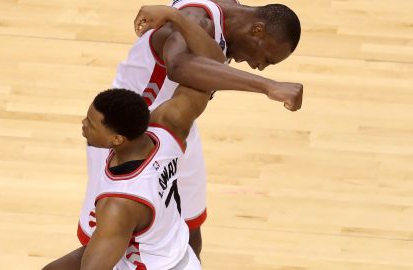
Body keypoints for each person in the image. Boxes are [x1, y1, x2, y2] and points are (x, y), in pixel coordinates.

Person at [43, 5, 301, 270]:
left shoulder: (225, 14)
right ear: (256, 29)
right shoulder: (197, 21)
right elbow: (179, 66)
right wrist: (269, 87)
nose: (259, 66)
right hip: (125, 134)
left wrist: (171, 14)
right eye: (267, 58)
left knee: (190, 230)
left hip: (174, 127)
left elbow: (209, 62)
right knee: (107, 239)